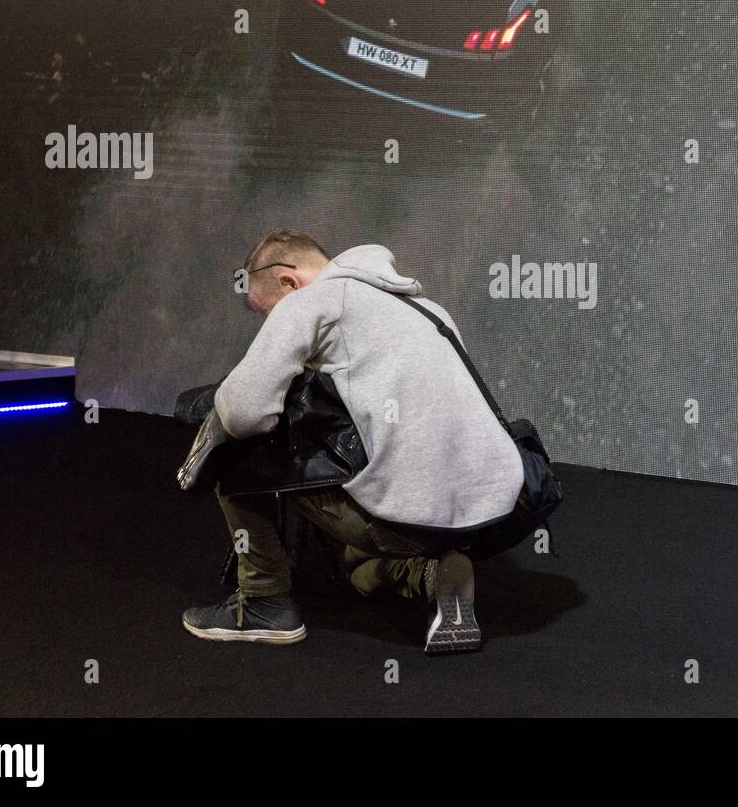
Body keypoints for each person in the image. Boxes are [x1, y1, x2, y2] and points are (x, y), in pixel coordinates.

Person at [182, 231, 524, 653]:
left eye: (264, 312)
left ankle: (264, 603)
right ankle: (430, 573)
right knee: (357, 570)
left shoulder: (313, 302)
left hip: (406, 519)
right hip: (488, 516)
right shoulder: (427, 308)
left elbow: (242, 411)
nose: (267, 324)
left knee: (233, 447)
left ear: (288, 282)